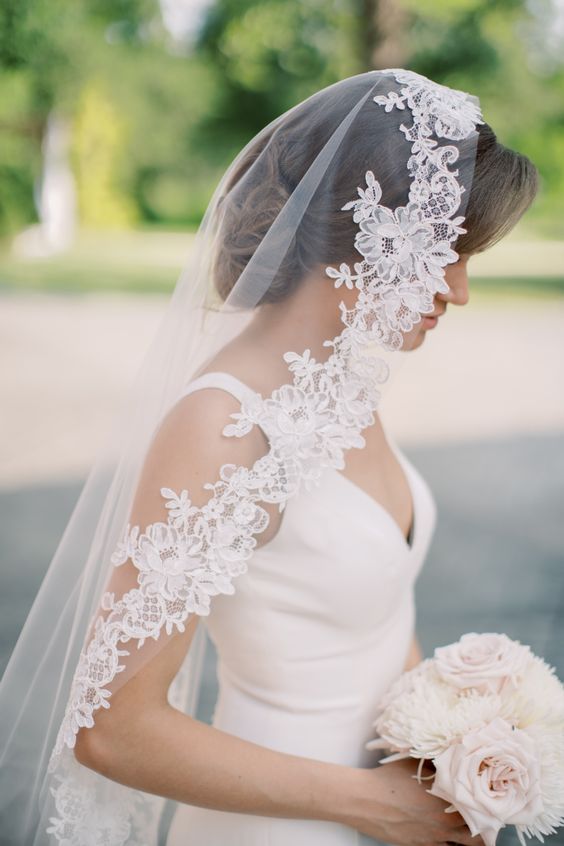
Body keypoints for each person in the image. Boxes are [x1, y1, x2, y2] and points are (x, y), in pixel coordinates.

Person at [0, 69, 538, 846]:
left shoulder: (342, 382)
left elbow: (381, 617)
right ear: (369, 229)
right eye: (447, 252)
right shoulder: (222, 424)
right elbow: (113, 729)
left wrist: (450, 747)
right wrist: (367, 803)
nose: (458, 290)